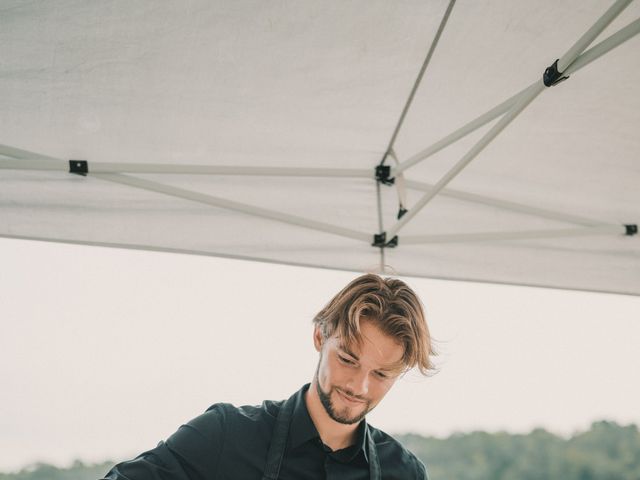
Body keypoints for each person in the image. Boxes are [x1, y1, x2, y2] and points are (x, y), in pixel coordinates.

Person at [102, 273, 434, 479]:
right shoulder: (226, 434)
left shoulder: (405, 473)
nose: (358, 386)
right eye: (347, 359)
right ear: (320, 336)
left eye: (380, 374)